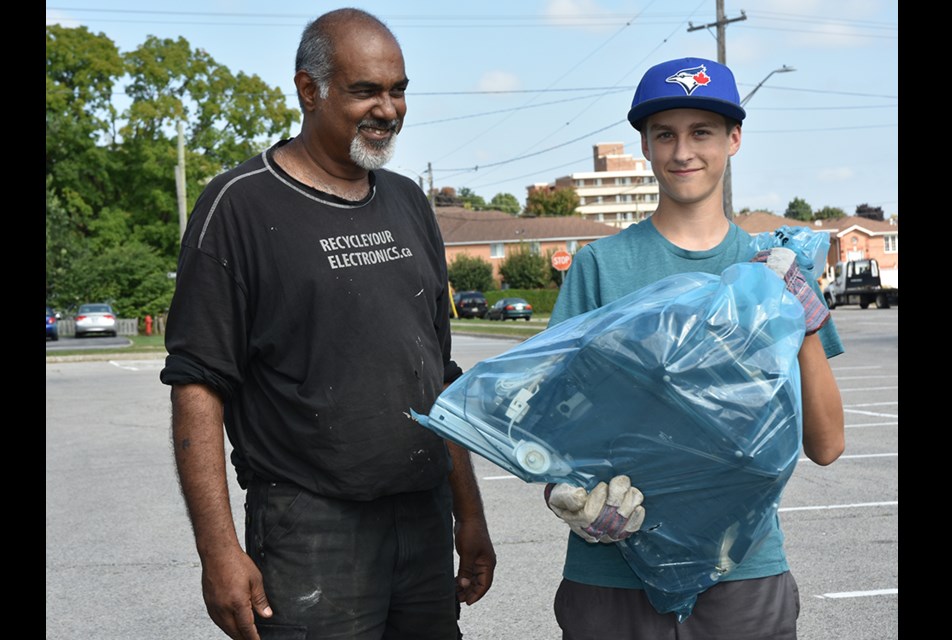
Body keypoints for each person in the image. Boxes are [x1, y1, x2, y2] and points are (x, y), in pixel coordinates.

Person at [159, 9, 495, 640]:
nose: (389, 109)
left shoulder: (407, 202)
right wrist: (218, 551)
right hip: (309, 528)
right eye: (365, 90)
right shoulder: (239, 206)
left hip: (421, 518)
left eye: (398, 90)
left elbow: (438, 379)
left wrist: (468, 513)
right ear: (308, 90)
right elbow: (198, 386)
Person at [543, 57, 845, 639]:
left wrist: (802, 320)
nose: (683, 151)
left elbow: (827, 444)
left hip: (742, 576)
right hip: (611, 576)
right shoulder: (600, 267)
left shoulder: (774, 269)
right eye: (665, 134)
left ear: (734, 139)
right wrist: (566, 494)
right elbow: (550, 418)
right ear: (647, 147)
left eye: (701, 131)